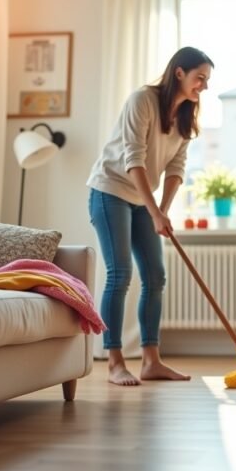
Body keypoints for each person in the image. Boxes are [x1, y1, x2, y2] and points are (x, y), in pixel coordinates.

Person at [87, 46, 213, 386]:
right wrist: (154, 211)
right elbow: (134, 160)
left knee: (156, 276)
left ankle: (151, 361)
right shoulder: (142, 100)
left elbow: (176, 168)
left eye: (206, 80)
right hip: (110, 190)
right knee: (120, 274)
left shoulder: (186, 115)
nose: (204, 86)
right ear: (179, 73)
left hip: (142, 199)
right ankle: (114, 362)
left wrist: (163, 211)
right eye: (200, 78)